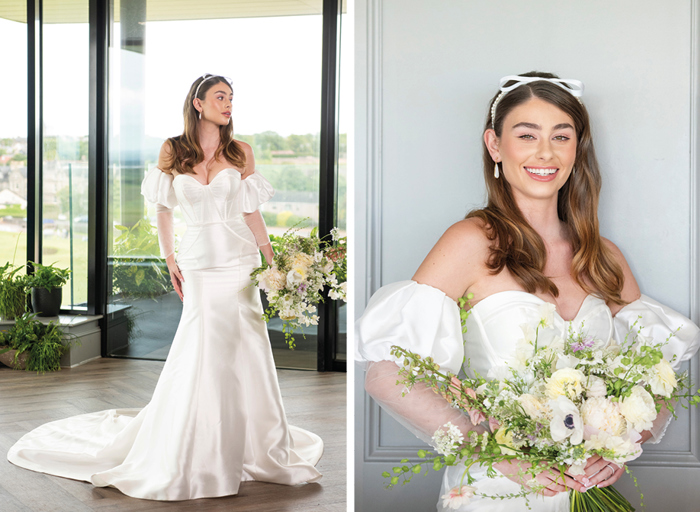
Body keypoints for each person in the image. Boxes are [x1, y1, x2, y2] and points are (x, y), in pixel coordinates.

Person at [356, 72, 700, 511]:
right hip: (494, 489)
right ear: (495, 145)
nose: (545, 152)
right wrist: (495, 451)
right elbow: (387, 374)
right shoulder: (471, 242)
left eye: (562, 135)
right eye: (527, 134)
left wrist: (623, 445)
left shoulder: (603, 256)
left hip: (584, 490)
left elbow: (660, 376)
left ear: (578, 148)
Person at [7, 74, 323, 500]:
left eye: (231, 98)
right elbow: (163, 210)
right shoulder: (173, 149)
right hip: (198, 264)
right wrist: (170, 258)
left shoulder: (241, 151)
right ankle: (195, 448)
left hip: (239, 264)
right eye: (220, 97)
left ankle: (253, 446)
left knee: (246, 347)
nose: (229, 104)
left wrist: (274, 264)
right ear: (198, 103)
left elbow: (251, 214)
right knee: (202, 348)